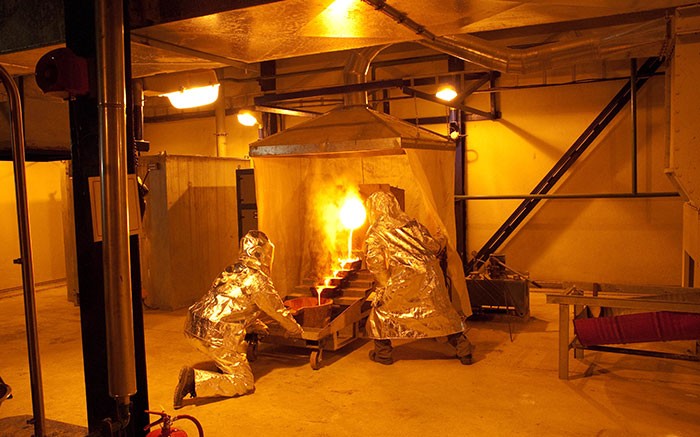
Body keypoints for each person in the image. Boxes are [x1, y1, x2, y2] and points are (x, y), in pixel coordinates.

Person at [174, 230, 303, 408]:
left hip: (193, 325)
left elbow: (235, 305)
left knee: (231, 350)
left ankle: (223, 363)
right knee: (244, 381)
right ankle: (194, 380)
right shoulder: (257, 280)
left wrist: (255, 324)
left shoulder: (231, 270)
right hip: (216, 335)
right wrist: (295, 329)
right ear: (264, 255)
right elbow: (277, 310)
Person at [363, 191, 473, 365]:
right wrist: (442, 237)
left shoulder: (376, 231)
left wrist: (384, 286)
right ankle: (464, 350)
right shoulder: (411, 224)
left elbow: (375, 262)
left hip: (403, 277)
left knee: (380, 313)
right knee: (441, 312)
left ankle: (383, 354)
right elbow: (433, 246)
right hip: (429, 274)